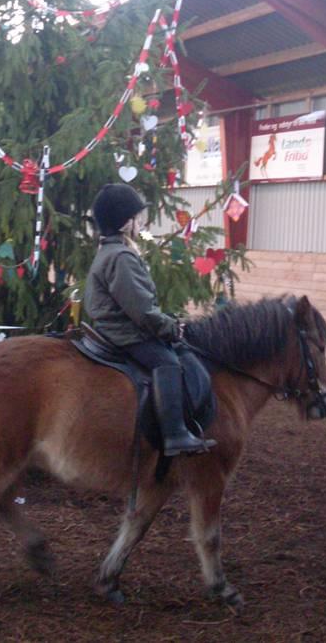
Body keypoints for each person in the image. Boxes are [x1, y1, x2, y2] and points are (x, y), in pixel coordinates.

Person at [84, 182, 215, 457]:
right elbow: (142, 311)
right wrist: (170, 327)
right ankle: (175, 434)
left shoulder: (110, 251)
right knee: (166, 361)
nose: (141, 222)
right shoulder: (121, 257)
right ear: (124, 223)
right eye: (137, 217)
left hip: (115, 327)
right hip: (124, 333)